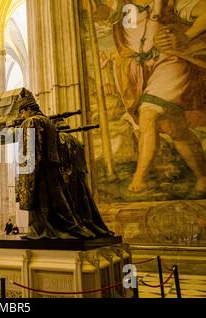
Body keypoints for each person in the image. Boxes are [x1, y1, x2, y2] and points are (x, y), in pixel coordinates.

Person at [93, 0, 206, 194]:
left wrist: (186, 36)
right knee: (174, 126)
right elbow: (103, 14)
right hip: (140, 70)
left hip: (170, 61)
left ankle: (140, 178)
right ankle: (202, 175)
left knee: (148, 115)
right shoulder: (122, 4)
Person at [15, 94, 96, 239]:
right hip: (54, 172)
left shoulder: (32, 122)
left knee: (41, 208)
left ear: (28, 109)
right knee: (58, 207)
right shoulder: (49, 123)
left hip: (40, 172)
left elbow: (30, 153)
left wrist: (26, 178)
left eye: (22, 111)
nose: (22, 116)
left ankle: (42, 231)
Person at [56, 119, 114, 237]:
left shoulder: (61, 138)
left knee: (70, 203)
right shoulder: (76, 140)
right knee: (83, 203)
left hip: (68, 174)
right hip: (79, 174)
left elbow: (62, 160)